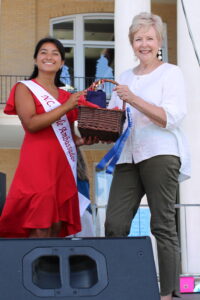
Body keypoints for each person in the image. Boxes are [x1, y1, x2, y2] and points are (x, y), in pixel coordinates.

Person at [105, 12, 191, 300]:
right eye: (138, 38)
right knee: (114, 223)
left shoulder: (171, 73)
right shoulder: (124, 77)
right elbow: (116, 119)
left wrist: (134, 99)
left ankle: (167, 293)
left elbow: (171, 117)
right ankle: (119, 287)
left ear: (159, 42)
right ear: (132, 42)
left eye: (149, 38)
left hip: (160, 153)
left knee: (162, 224)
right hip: (128, 156)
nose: (144, 43)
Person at [0, 37, 94, 238]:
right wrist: (67, 106)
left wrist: (80, 141)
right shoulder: (24, 88)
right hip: (38, 162)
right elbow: (32, 124)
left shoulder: (65, 95)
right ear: (35, 59)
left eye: (55, 53)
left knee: (57, 226)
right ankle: (33, 268)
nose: (49, 56)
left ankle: (52, 269)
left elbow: (68, 133)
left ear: (61, 63)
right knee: (39, 222)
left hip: (63, 165)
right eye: (43, 52)